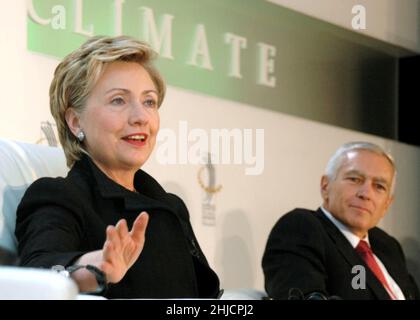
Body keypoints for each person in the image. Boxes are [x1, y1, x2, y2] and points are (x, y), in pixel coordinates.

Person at [15, 35, 220, 299]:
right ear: (76, 122)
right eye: (118, 100)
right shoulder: (59, 196)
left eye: (149, 102)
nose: (141, 117)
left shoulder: (172, 207)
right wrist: (94, 269)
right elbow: (38, 275)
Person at [262, 142, 419, 300]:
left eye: (378, 186)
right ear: (325, 186)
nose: (366, 194)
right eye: (355, 179)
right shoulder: (301, 228)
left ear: (387, 204)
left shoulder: (387, 245)